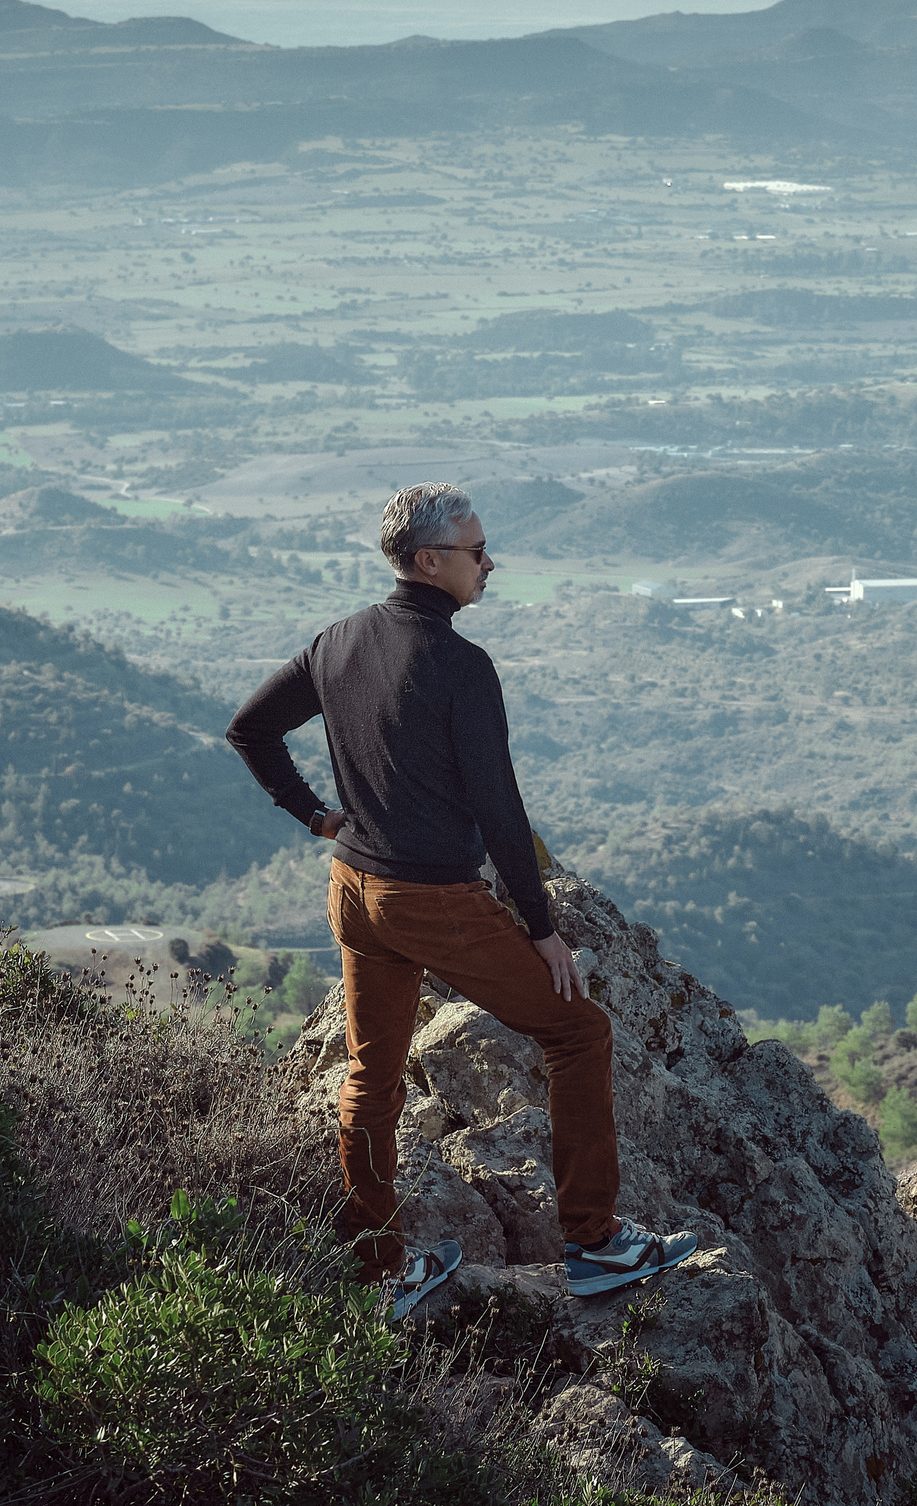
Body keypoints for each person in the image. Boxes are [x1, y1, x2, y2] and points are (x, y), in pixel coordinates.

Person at [225, 482, 697, 1319]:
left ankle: (380, 1272)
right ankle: (593, 1244)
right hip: (430, 899)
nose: (491, 563)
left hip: (353, 889)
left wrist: (312, 816)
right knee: (578, 1032)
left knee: (371, 1079)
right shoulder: (462, 666)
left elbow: (250, 728)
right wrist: (545, 931)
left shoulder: (337, 641)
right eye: (478, 552)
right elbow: (499, 808)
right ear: (428, 560)